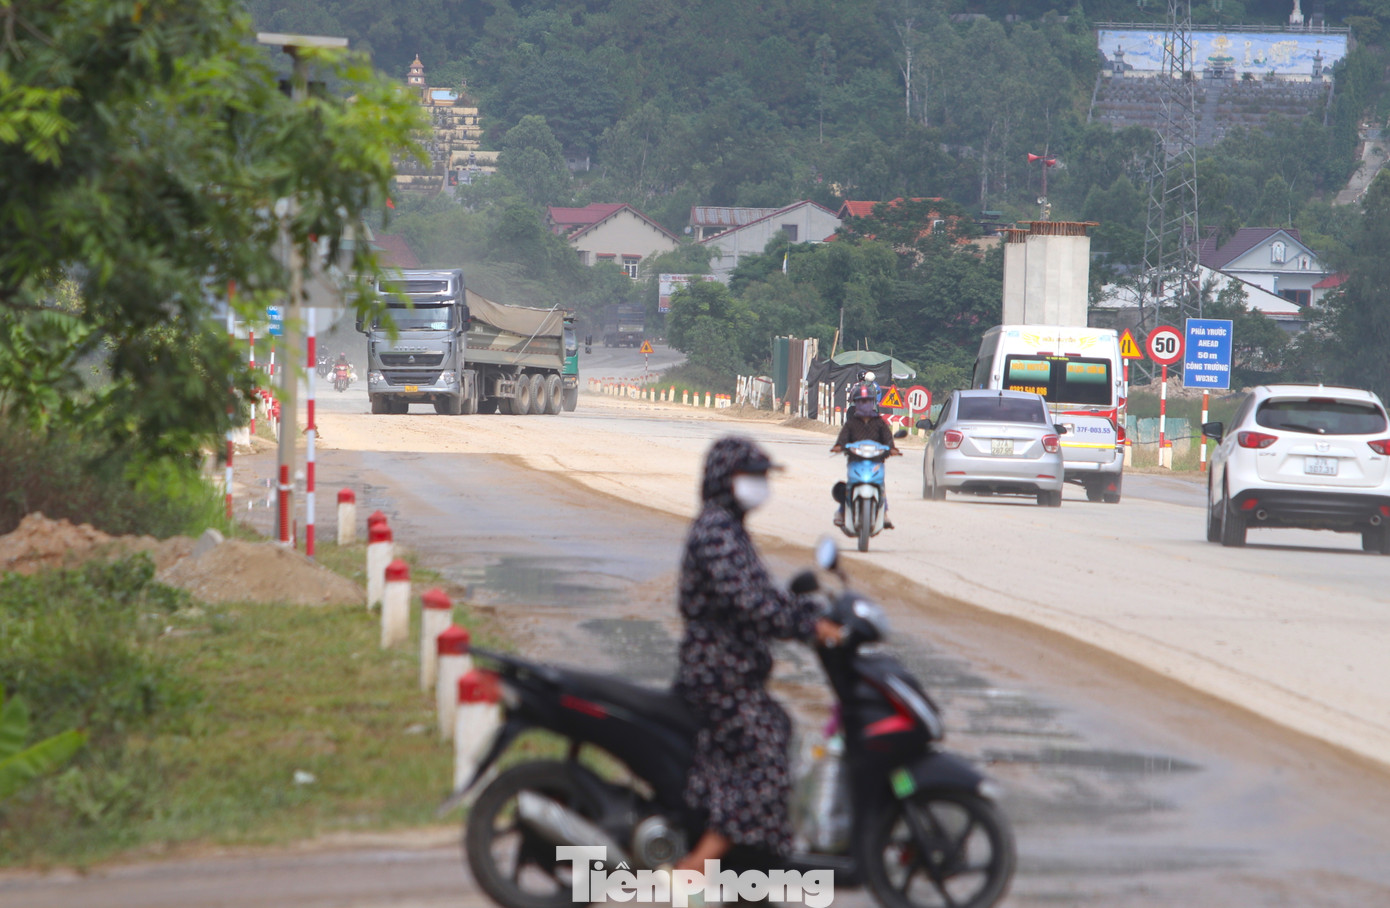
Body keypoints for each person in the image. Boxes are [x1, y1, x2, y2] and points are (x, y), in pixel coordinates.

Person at [673, 436, 843, 872]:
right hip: (718, 676)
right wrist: (806, 626)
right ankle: (697, 864)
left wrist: (810, 610)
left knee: (772, 730)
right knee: (765, 749)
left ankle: (739, 865)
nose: (760, 485)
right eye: (751, 476)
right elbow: (747, 602)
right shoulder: (716, 531)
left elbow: (762, 594)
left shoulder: (729, 528)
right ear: (725, 480)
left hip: (732, 674)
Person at [830, 384, 902, 529]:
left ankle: (885, 514)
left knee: (880, 485)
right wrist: (839, 446)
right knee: (849, 485)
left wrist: (892, 449)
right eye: (861, 401)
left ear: (873, 402)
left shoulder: (880, 423)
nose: (864, 405)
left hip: (876, 462)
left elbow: (888, 439)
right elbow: (843, 439)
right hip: (855, 461)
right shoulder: (851, 423)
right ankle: (842, 512)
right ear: (855, 403)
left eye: (867, 401)